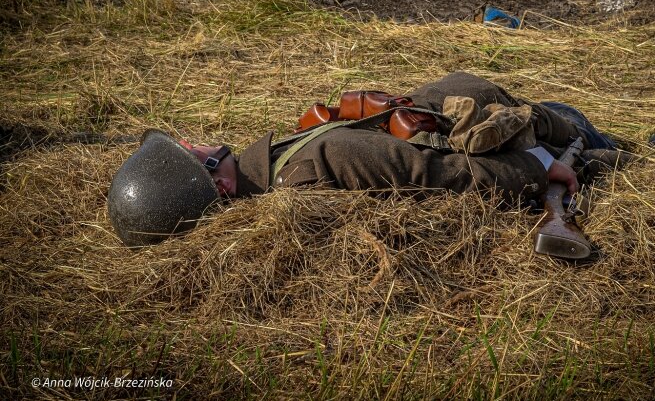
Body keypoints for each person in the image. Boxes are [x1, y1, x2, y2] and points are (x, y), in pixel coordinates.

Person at [108, 72, 624, 256]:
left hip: (463, 107)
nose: (195, 142)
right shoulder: (320, 160)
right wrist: (537, 172)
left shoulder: (272, 169)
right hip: (512, 131)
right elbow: (438, 176)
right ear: (218, 188)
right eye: (192, 156)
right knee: (589, 134)